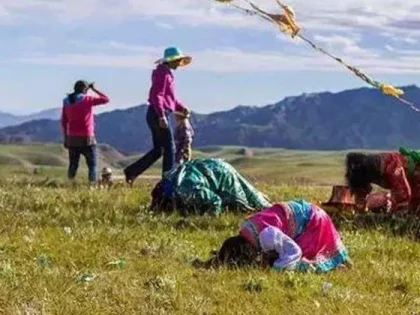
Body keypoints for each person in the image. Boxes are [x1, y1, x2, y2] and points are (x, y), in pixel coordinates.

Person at [206, 199, 350, 272]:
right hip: (299, 213)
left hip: (312, 220)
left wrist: (277, 268)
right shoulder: (247, 229)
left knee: (305, 260)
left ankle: (338, 263)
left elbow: (295, 252)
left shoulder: (267, 236)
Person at [124, 47, 191, 184]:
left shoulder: (166, 73)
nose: (179, 63)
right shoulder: (162, 74)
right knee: (169, 148)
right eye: (178, 60)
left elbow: (169, 98)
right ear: (172, 60)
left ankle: (132, 171)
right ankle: (168, 181)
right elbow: (157, 95)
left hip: (156, 113)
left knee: (159, 149)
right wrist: (161, 116)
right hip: (158, 113)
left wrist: (181, 107)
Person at [150, 158, 270, 215]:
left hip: (222, 175)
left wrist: (208, 218)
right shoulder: (168, 180)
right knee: (249, 193)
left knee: (248, 205)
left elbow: (215, 201)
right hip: (212, 167)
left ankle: (276, 208)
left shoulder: (186, 190)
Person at [346, 148, 420, 216]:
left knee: (419, 209)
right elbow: (361, 193)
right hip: (400, 184)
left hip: (416, 176)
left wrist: (397, 216)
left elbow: (404, 193)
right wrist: (360, 209)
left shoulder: (391, 167)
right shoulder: (364, 172)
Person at [61, 80, 110, 184]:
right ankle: (92, 185)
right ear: (85, 89)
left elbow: (64, 121)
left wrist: (66, 138)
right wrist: (94, 89)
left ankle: (70, 183)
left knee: (73, 164)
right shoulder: (87, 99)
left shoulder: (66, 101)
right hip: (87, 138)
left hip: (72, 137)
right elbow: (106, 99)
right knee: (92, 164)